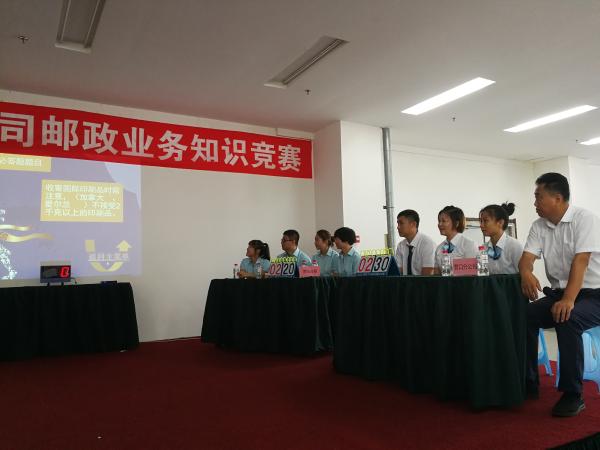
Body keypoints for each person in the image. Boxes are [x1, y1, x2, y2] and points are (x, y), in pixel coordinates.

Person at [519, 172, 600, 417]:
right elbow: (527, 258)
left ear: (557, 198)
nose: (534, 202)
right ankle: (528, 381)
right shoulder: (538, 226)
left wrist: (568, 300)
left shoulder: (585, 219)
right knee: (525, 314)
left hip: (594, 294)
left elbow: (581, 261)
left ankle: (573, 394)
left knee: (568, 317)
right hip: (561, 293)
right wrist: (526, 272)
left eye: (538, 197)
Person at [479, 203, 523, 274]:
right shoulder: (483, 249)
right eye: (481, 221)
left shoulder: (514, 246)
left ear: (500, 222)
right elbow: (483, 274)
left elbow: (524, 275)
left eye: (485, 221)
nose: (481, 225)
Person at [434, 205, 478, 273]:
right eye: (439, 221)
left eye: (444, 221)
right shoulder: (439, 248)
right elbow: (437, 274)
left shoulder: (468, 245)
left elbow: (471, 273)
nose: (440, 224)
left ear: (456, 223)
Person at [395, 209, 435, 275]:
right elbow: (398, 273)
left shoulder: (427, 244)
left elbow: (427, 275)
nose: (398, 227)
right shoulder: (400, 245)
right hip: (404, 281)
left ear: (413, 224)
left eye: (401, 223)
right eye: (398, 223)